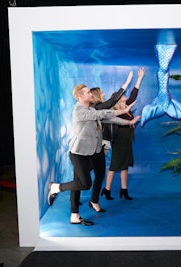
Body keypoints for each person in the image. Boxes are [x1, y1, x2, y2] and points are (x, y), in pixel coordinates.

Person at [48, 84, 140, 226]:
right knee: (83, 184)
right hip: (80, 153)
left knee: (98, 176)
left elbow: (107, 119)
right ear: (80, 96)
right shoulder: (79, 111)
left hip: (96, 151)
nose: (91, 94)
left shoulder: (90, 109)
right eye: (87, 92)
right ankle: (56, 188)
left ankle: (82, 211)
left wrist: (129, 121)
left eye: (91, 92)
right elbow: (101, 114)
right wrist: (123, 110)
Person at [101, 67, 145, 200]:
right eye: (122, 96)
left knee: (125, 165)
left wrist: (139, 78)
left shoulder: (127, 107)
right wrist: (131, 122)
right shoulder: (115, 111)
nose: (125, 96)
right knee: (115, 165)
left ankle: (124, 190)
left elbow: (134, 94)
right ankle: (107, 190)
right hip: (119, 140)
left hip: (127, 140)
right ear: (119, 99)